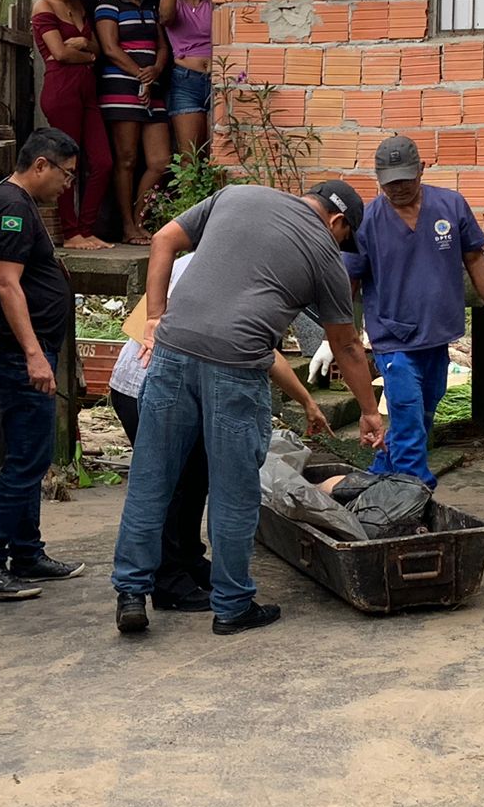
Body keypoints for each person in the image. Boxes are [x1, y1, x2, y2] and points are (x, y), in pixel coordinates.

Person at [111, 180, 386, 636]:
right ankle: (233, 605)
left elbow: (162, 239)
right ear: (338, 223)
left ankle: (131, 593)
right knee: (233, 490)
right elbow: (347, 346)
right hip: (236, 367)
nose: (340, 244)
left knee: (151, 478)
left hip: (173, 353)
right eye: (344, 237)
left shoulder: (235, 194)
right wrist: (370, 411)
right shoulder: (324, 254)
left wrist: (155, 316)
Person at [109, 252, 333, 612]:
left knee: (195, 477)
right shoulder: (220, 271)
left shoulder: (215, 263)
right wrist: (305, 401)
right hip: (147, 384)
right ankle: (167, 582)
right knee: (168, 487)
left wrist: (306, 401)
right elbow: (261, 353)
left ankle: (187, 559)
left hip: (182, 385)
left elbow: (261, 349)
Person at [309, 137, 484, 488]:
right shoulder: (367, 223)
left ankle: (376, 481)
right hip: (393, 339)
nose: (399, 189)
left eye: (406, 180)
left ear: (422, 169)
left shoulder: (450, 206)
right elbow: (350, 281)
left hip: (437, 335)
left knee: (421, 416)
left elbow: (475, 259)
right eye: (390, 182)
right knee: (407, 418)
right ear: (378, 178)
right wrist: (331, 337)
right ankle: (414, 493)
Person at [0, 129, 87, 600]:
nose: (67, 185)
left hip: (28, 350)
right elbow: (6, 286)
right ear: (41, 165)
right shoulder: (12, 207)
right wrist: (34, 354)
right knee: (25, 460)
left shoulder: (18, 204)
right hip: (19, 354)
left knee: (31, 456)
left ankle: (27, 553)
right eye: (66, 174)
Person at [31, 0, 113, 250]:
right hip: (61, 91)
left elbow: (98, 50)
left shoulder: (79, 6)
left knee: (103, 161)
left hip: (87, 92)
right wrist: (88, 53)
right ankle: (70, 232)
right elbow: (61, 53)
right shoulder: (43, 7)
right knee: (67, 163)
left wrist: (87, 48)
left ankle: (86, 228)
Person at [95, 0, 171, 245]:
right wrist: (141, 74)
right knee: (126, 160)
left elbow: (163, 46)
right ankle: (127, 226)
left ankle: (139, 220)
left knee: (161, 161)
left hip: (152, 88)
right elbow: (110, 47)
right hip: (121, 90)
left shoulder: (152, 3)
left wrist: (156, 69)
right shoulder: (108, 3)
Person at [159, 0, 213, 158]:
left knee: (218, 155)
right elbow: (165, 17)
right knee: (189, 156)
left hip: (218, 79)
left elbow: (229, 10)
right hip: (186, 81)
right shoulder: (176, 3)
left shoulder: (212, 1)